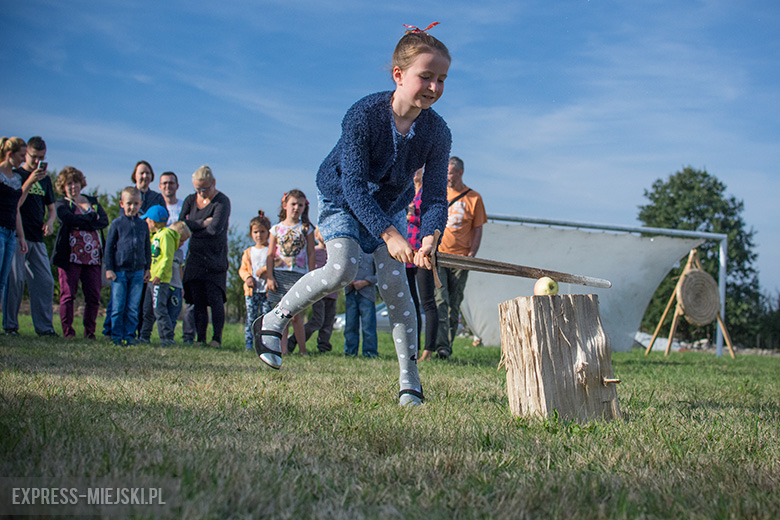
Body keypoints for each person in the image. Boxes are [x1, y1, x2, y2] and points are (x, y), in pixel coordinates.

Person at [252, 24, 452, 406]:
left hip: (391, 205)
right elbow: (355, 187)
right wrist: (391, 236)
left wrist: (430, 236)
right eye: (426, 76)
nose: (434, 87)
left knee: (396, 287)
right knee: (342, 268)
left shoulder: (438, 132)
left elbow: (434, 197)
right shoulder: (364, 115)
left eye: (441, 79)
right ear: (399, 75)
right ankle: (274, 320)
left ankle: (410, 380)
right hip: (342, 197)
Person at [3, 137, 58, 336]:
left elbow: (52, 209)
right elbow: (15, 202)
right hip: (18, 235)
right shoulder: (17, 175)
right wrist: (30, 181)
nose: (37, 162)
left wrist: (50, 221)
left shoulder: (46, 179)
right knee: (15, 281)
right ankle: (11, 326)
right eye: (34, 157)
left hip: (37, 237)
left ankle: (45, 328)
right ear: (26, 153)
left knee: (45, 281)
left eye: (41, 158)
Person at [433, 156, 487, 359]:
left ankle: (447, 345)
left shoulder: (474, 198)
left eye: (449, 173)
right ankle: (441, 346)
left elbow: (478, 228)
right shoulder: (439, 194)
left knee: (454, 303)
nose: (446, 177)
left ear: (460, 173)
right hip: (439, 256)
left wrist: (472, 253)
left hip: (461, 258)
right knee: (441, 300)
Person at [51, 167, 109, 339]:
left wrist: (81, 222)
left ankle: (90, 332)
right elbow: (68, 219)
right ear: (63, 186)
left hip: (93, 257)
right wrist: (90, 219)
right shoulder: (61, 204)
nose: (73, 186)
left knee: (94, 295)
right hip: (70, 256)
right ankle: (68, 332)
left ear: (81, 183)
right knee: (68, 294)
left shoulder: (92, 201)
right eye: (69, 183)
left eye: (75, 182)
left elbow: (103, 221)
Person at [181, 166, 231, 348]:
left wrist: (193, 227)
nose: (202, 193)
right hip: (195, 257)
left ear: (213, 183)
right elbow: (182, 224)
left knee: (215, 297)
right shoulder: (190, 200)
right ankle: (200, 338)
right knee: (197, 299)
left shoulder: (222, 201)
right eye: (198, 189)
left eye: (205, 188)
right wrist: (202, 223)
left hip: (214, 258)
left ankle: (216, 339)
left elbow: (215, 229)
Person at [265, 190, 315, 356]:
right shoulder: (276, 229)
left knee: (296, 316)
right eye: (293, 204)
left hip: (298, 275)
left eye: (300, 205)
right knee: (282, 315)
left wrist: (311, 276)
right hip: (279, 274)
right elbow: (270, 255)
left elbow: (311, 253)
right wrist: (270, 277)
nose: (296, 208)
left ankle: (302, 350)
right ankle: (283, 350)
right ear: (285, 205)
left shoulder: (306, 229)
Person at [104, 186, 151, 346]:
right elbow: (109, 248)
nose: (132, 207)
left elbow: (147, 247)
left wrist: (147, 268)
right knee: (118, 306)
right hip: (119, 271)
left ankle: (130, 336)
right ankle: (116, 336)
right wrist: (109, 268)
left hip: (138, 272)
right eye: (129, 203)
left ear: (140, 204)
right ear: (122, 204)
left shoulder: (143, 225)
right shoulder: (117, 224)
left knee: (133, 307)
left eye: (136, 204)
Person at [140, 206, 190, 346]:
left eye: (147, 220)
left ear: (152, 221)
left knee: (159, 309)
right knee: (148, 310)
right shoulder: (155, 236)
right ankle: (144, 336)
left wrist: (160, 275)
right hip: (151, 279)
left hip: (159, 280)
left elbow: (167, 257)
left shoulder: (166, 235)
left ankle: (167, 337)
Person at [286, 227, 338, 354]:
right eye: (323, 233)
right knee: (318, 320)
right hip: (318, 293)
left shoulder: (335, 253)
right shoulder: (314, 252)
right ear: (316, 235)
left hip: (332, 293)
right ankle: (293, 340)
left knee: (328, 322)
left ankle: (323, 347)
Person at [406, 167, 439, 360]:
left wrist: (413, 216)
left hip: (423, 252)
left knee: (427, 302)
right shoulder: (407, 192)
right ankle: (414, 348)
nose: (414, 171)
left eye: (418, 168)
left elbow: (432, 220)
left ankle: (429, 349)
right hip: (407, 254)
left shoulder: (428, 192)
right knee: (412, 304)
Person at [158, 171, 192, 341]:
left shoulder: (182, 207)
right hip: (160, 262)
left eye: (171, 183)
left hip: (181, 258)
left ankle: (181, 335)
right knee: (158, 304)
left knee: (176, 302)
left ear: (177, 186)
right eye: (164, 183)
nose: (168, 186)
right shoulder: (158, 206)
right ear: (160, 186)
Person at [239, 211, 274, 351]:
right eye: (255, 232)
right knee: (251, 318)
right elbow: (243, 269)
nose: (259, 235)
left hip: (267, 291)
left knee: (266, 319)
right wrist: (248, 277)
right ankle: (249, 344)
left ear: (268, 232)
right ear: (251, 233)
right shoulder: (248, 252)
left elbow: (276, 263)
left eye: (262, 231)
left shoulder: (271, 251)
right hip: (252, 292)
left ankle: (265, 344)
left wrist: (265, 269)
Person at [344, 251, 378, 357]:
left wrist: (366, 282)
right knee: (350, 325)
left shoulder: (372, 252)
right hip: (350, 292)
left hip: (367, 294)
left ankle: (370, 352)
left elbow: (380, 274)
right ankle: (350, 352)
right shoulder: (348, 251)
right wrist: (346, 280)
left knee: (368, 325)